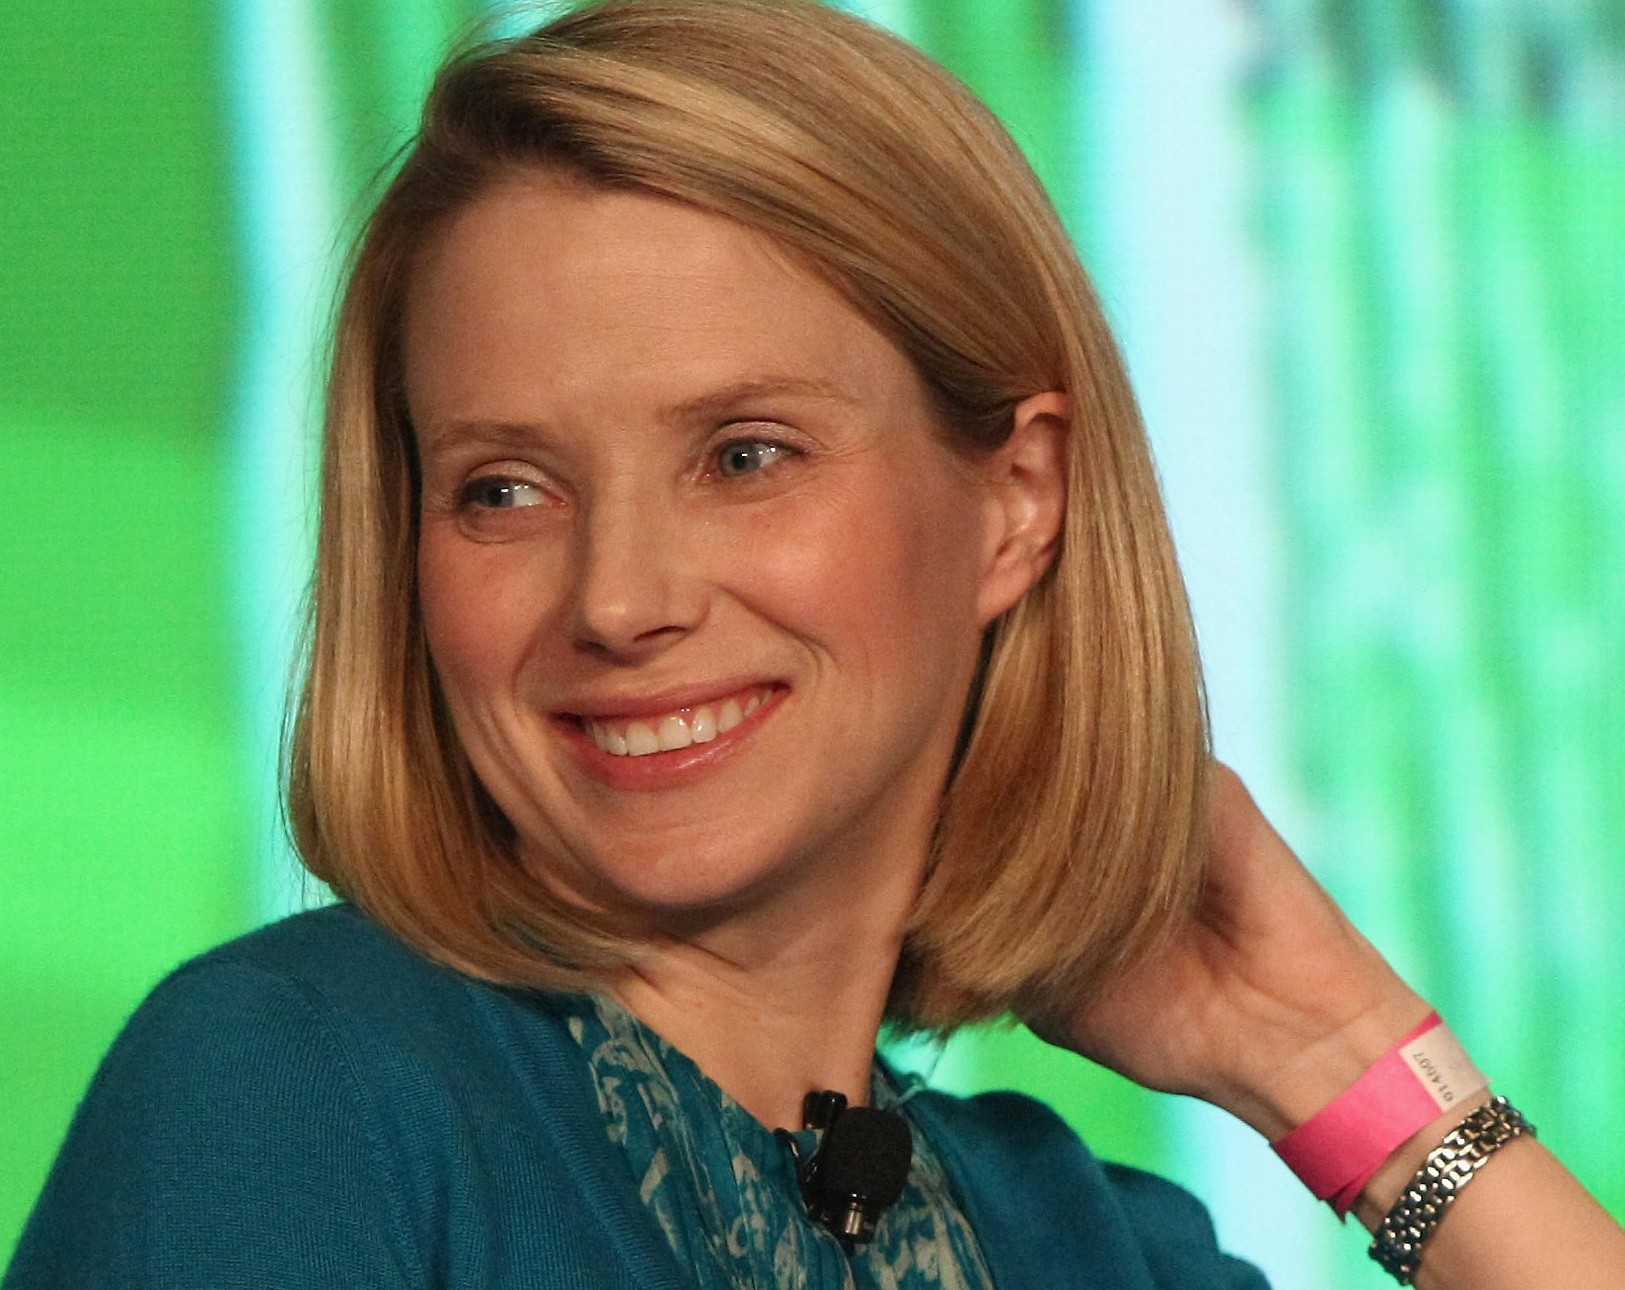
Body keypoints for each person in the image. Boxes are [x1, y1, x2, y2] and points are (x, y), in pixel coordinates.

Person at [6, 1, 1623, 1286]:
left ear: (1015, 501)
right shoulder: (295, 1089)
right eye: (503, 488)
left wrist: (1331, 1055)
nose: (617, 598)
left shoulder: (1087, 1240)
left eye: (743, 455)